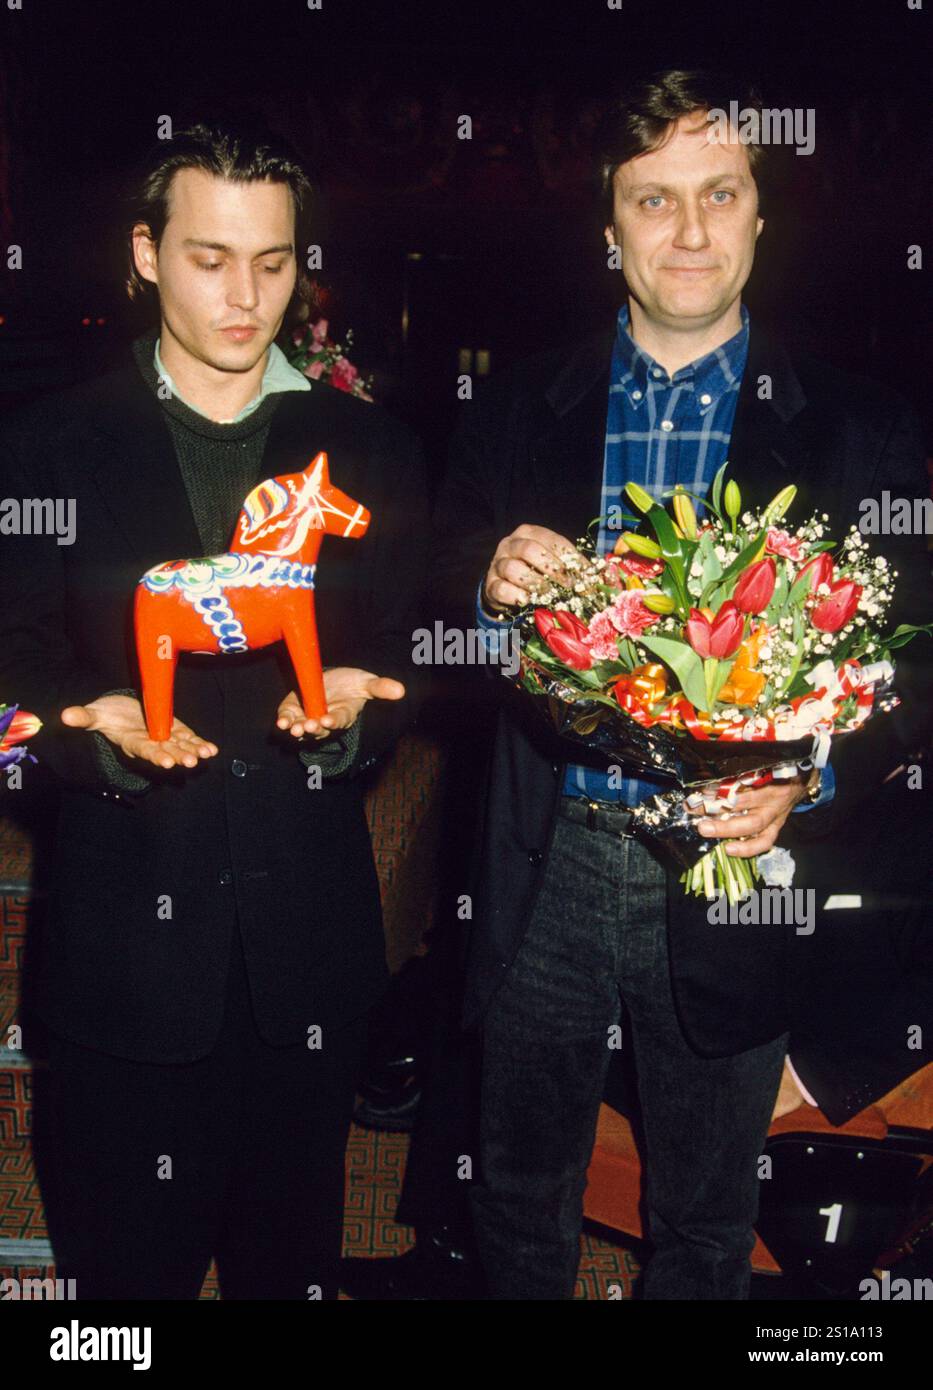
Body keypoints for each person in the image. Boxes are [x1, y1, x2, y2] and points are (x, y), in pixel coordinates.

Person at [432, 69, 932, 1299]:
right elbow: (424, 607)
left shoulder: (861, 426)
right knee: (518, 1202)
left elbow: (910, 670)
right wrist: (483, 588)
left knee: (709, 1226)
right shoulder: (512, 405)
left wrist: (803, 778)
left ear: (764, 213)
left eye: (721, 193)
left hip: (733, 870)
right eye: (654, 201)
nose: (692, 231)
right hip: (541, 851)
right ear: (610, 228)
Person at [0, 120, 428, 1300]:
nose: (247, 297)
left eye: (274, 262)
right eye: (208, 259)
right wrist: (92, 748)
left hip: (313, 963)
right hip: (120, 974)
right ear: (143, 254)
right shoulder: (40, 448)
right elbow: (6, 695)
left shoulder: (370, 449)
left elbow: (403, 657)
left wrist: (361, 721)